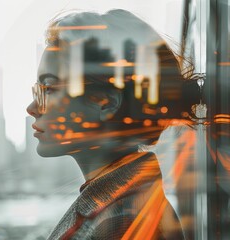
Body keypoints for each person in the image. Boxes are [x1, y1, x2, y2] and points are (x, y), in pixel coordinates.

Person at [27, 9, 187, 239]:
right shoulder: (120, 204)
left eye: (49, 89)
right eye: (38, 91)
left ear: (105, 103)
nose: (32, 108)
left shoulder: (119, 222)